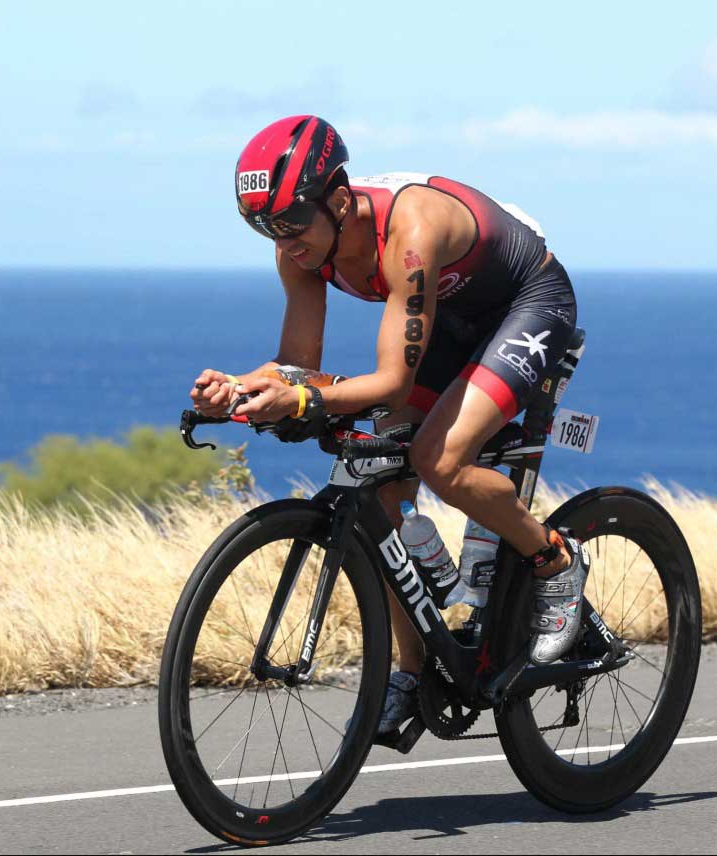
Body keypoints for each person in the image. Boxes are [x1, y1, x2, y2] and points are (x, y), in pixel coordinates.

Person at [190, 115, 590, 735]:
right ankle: (414, 670)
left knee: (440, 459)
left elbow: (389, 384)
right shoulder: (298, 246)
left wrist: (299, 402)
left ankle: (555, 561)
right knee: (377, 483)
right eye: (263, 226)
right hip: (447, 319)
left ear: (339, 200)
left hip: (526, 304)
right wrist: (239, 388)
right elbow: (301, 367)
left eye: (292, 223)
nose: (283, 240)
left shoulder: (411, 231)